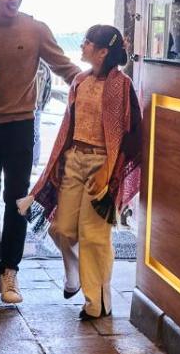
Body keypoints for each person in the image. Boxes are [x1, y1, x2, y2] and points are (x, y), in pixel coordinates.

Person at [0, 0, 81, 305]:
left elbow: (66, 68)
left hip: (21, 126)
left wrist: (101, 84)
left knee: (17, 201)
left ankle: (10, 271)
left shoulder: (35, 29)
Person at [18, 25, 142, 321]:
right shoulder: (80, 81)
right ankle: (73, 269)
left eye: (88, 42)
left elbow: (131, 135)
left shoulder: (122, 85)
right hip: (73, 159)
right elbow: (67, 128)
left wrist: (109, 171)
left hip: (103, 163)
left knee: (94, 235)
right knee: (61, 228)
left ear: (103, 52)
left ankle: (98, 302)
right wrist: (58, 164)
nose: (83, 45)